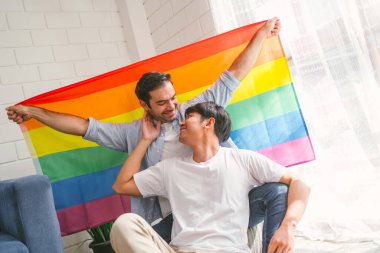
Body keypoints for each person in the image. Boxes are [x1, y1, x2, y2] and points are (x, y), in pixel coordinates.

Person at [6, 18, 285, 249]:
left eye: (173, 98)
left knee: (275, 191)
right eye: (162, 103)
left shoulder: (197, 113)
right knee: (127, 230)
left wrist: (261, 34)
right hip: (178, 218)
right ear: (145, 105)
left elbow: (235, 73)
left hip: (224, 205)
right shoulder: (134, 133)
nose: (172, 107)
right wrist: (35, 112)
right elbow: (84, 127)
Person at [111, 101, 310, 253]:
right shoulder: (169, 169)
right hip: (182, 249)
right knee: (124, 224)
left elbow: (298, 182)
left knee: (279, 190)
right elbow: (121, 186)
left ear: (208, 122)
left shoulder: (242, 159)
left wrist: (287, 228)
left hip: (228, 250)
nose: (181, 122)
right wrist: (146, 140)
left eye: (188, 116)